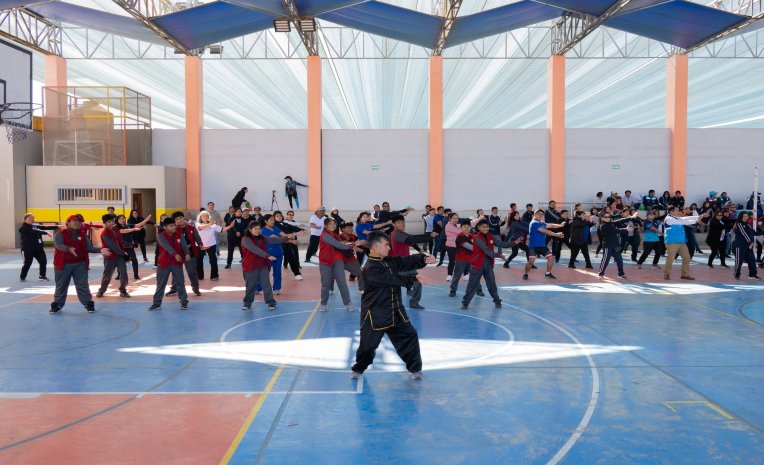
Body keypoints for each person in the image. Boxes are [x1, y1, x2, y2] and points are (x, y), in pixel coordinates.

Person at [350, 232, 435, 381]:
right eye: (386, 245)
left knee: (409, 336)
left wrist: (423, 258)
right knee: (368, 347)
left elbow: (405, 261)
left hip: (396, 311)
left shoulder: (388, 261)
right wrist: (413, 277)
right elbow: (391, 279)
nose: (389, 248)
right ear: (375, 246)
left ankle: (415, 369)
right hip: (375, 313)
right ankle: (359, 368)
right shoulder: (369, 268)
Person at [50, 215, 112, 314]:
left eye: (79, 222)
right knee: (61, 286)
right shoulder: (60, 234)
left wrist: (100, 250)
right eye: (74, 221)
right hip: (63, 265)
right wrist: (68, 249)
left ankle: (88, 304)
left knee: (82, 285)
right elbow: (59, 245)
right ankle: (57, 304)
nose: (77, 223)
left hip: (80, 265)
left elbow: (90, 248)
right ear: (68, 222)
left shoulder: (83, 235)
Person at [389, 214, 438, 310]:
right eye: (398, 223)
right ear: (393, 224)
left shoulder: (401, 234)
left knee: (414, 281)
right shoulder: (397, 234)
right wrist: (430, 237)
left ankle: (411, 297)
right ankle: (411, 302)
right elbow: (412, 239)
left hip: (406, 263)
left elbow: (412, 241)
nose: (402, 224)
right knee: (413, 282)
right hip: (400, 265)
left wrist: (419, 250)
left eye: (403, 222)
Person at [460, 219, 509, 310]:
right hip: (477, 264)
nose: (485, 228)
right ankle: (465, 302)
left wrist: (514, 243)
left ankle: (497, 301)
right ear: (479, 227)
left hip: (488, 264)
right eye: (483, 227)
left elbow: (501, 244)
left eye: (487, 226)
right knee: (472, 285)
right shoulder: (477, 238)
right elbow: (486, 250)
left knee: (491, 284)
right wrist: (498, 255)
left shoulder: (491, 236)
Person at [240, 221, 289, 310]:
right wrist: (267, 256)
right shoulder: (245, 239)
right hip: (250, 267)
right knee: (251, 286)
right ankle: (247, 303)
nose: (257, 231)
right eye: (255, 229)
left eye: (259, 229)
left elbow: (272, 240)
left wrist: (286, 238)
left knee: (266, 285)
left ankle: (271, 303)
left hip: (262, 266)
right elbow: (255, 249)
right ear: (250, 229)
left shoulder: (261, 237)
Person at [149, 217, 189, 311]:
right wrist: (175, 254)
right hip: (163, 263)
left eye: (174, 225)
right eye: (171, 226)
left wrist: (187, 253)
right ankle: (156, 303)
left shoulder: (179, 235)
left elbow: (184, 245)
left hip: (176, 263)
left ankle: (184, 302)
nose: (174, 227)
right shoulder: (161, 235)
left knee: (180, 283)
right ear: (165, 227)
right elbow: (166, 246)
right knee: (161, 285)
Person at [319, 217, 358, 312]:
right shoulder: (325, 235)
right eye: (330, 224)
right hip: (325, 262)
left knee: (342, 283)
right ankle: (323, 304)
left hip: (338, 261)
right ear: (325, 226)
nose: (333, 225)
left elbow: (341, 243)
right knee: (326, 284)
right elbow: (338, 245)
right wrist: (352, 245)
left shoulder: (336, 235)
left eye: (334, 224)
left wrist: (353, 244)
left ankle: (348, 303)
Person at [260, 213, 301, 294]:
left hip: (278, 253)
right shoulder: (263, 231)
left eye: (273, 220)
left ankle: (277, 288)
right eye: (271, 220)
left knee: (278, 271)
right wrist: (293, 235)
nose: (273, 221)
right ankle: (258, 287)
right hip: (268, 255)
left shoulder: (276, 228)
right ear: (265, 221)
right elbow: (277, 238)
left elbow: (284, 236)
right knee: (265, 272)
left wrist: (292, 240)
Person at [663, 206, 706, 281]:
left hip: (681, 242)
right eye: (676, 210)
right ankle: (666, 274)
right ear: (671, 212)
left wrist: (700, 216)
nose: (679, 212)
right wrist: (696, 221)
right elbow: (683, 221)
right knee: (671, 259)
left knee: (687, 258)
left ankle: (685, 275)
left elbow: (686, 218)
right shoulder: (669, 219)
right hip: (672, 242)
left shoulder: (677, 218)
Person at [166, 211, 202, 297]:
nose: (180, 220)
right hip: (178, 254)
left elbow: (197, 237)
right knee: (176, 272)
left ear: (184, 218)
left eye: (181, 217)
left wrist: (200, 244)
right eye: (177, 219)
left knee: (192, 271)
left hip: (191, 253)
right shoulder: (173, 230)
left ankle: (196, 288)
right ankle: (174, 289)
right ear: (175, 221)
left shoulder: (191, 228)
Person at [96, 214, 131, 298]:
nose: (111, 223)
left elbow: (120, 242)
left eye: (112, 221)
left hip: (120, 257)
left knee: (123, 273)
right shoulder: (105, 233)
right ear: (104, 223)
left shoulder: (116, 230)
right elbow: (112, 245)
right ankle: (101, 290)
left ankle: (123, 290)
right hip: (110, 257)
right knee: (107, 276)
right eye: (109, 222)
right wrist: (123, 254)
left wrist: (131, 245)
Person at [523, 210, 564, 280]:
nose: (540, 215)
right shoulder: (534, 223)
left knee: (551, 258)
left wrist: (560, 225)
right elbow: (545, 231)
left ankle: (548, 273)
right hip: (533, 246)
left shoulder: (541, 222)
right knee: (531, 262)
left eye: (542, 214)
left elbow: (550, 225)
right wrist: (556, 234)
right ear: (534, 215)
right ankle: (525, 273)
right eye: (538, 214)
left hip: (542, 246)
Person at [597, 211, 637, 279]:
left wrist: (631, 217)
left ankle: (621, 274)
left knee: (619, 260)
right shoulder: (602, 226)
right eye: (606, 217)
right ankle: (600, 274)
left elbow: (620, 220)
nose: (607, 218)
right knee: (605, 260)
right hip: (607, 245)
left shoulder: (611, 223)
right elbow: (615, 230)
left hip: (615, 245)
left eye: (609, 217)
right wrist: (626, 229)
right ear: (602, 218)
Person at [449, 219, 483, 298]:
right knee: (457, 276)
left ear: (470, 227)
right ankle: (453, 290)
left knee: (475, 275)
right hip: (461, 260)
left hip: (471, 260)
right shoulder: (460, 236)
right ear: (461, 227)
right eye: (464, 226)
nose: (466, 228)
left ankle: (479, 290)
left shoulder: (472, 236)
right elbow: (469, 247)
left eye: (468, 226)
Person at [196, 211, 233, 281]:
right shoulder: (198, 224)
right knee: (199, 260)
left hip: (211, 245)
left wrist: (230, 226)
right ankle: (199, 276)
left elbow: (222, 229)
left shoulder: (213, 225)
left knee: (213, 260)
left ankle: (214, 276)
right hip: (200, 245)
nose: (206, 217)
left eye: (207, 216)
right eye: (204, 216)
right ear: (200, 217)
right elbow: (200, 228)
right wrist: (209, 224)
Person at [19, 213, 54, 282]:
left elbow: (46, 227)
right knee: (27, 263)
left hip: (38, 249)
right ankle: (22, 277)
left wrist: (59, 226)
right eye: (29, 218)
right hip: (27, 250)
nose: (32, 219)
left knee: (43, 261)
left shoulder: (35, 226)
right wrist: (46, 233)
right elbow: (34, 231)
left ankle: (42, 276)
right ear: (25, 220)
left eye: (33, 218)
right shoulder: (23, 228)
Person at [116, 214, 151, 280]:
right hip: (120, 246)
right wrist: (133, 229)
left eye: (123, 218)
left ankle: (136, 275)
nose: (122, 220)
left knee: (134, 260)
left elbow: (138, 225)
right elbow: (122, 231)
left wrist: (146, 220)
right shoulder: (116, 227)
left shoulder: (128, 225)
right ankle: (119, 274)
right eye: (120, 219)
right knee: (121, 261)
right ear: (117, 220)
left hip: (129, 246)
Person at [276, 210, 304, 280]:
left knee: (292, 258)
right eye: (277, 216)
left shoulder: (284, 223)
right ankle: (274, 275)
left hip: (286, 244)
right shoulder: (275, 225)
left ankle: (297, 274)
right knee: (275, 262)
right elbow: (284, 234)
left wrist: (301, 229)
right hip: (278, 246)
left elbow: (292, 227)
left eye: (280, 215)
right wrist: (294, 235)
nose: (279, 217)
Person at [732, 211, 760, 280]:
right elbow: (744, 234)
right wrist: (751, 242)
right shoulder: (739, 224)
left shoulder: (748, 225)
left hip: (748, 247)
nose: (745, 218)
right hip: (740, 246)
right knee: (739, 261)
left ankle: (752, 275)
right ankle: (737, 274)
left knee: (752, 260)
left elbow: (754, 233)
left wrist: (761, 231)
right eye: (744, 216)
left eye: (747, 216)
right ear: (741, 217)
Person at [339, 221, 365, 291]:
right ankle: (330, 288)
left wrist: (365, 243)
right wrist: (354, 245)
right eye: (348, 228)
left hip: (350, 259)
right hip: (339, 260)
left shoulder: (354, 237)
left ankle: (362, 289)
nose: (351, 229)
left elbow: (360, 243)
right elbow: (343, 244)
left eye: (351, 227)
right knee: (331, 275)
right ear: (343, 229)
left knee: (360, 273)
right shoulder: (338, 237)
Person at [441, 212, 460, 277]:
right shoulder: (448, 226)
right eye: (454, 218)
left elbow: (470, 223)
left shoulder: (457, 225)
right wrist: (466, 229)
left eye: (457, 218)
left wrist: (479, 219)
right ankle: (449, 275)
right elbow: (459, 232)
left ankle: (466, 274)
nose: (456, 220)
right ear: (450, 219)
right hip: (450, 246)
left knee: (463, 261)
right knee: (452, 261)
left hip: (458, 246)